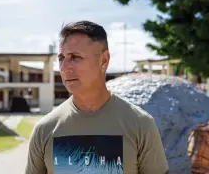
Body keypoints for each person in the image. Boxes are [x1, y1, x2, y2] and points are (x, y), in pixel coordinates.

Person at [25, 20, 169, 174]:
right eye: (61, 59)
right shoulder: (45, 129)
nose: (65, 68)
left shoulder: (140, 125)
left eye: (75, 57)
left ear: (104, 60)